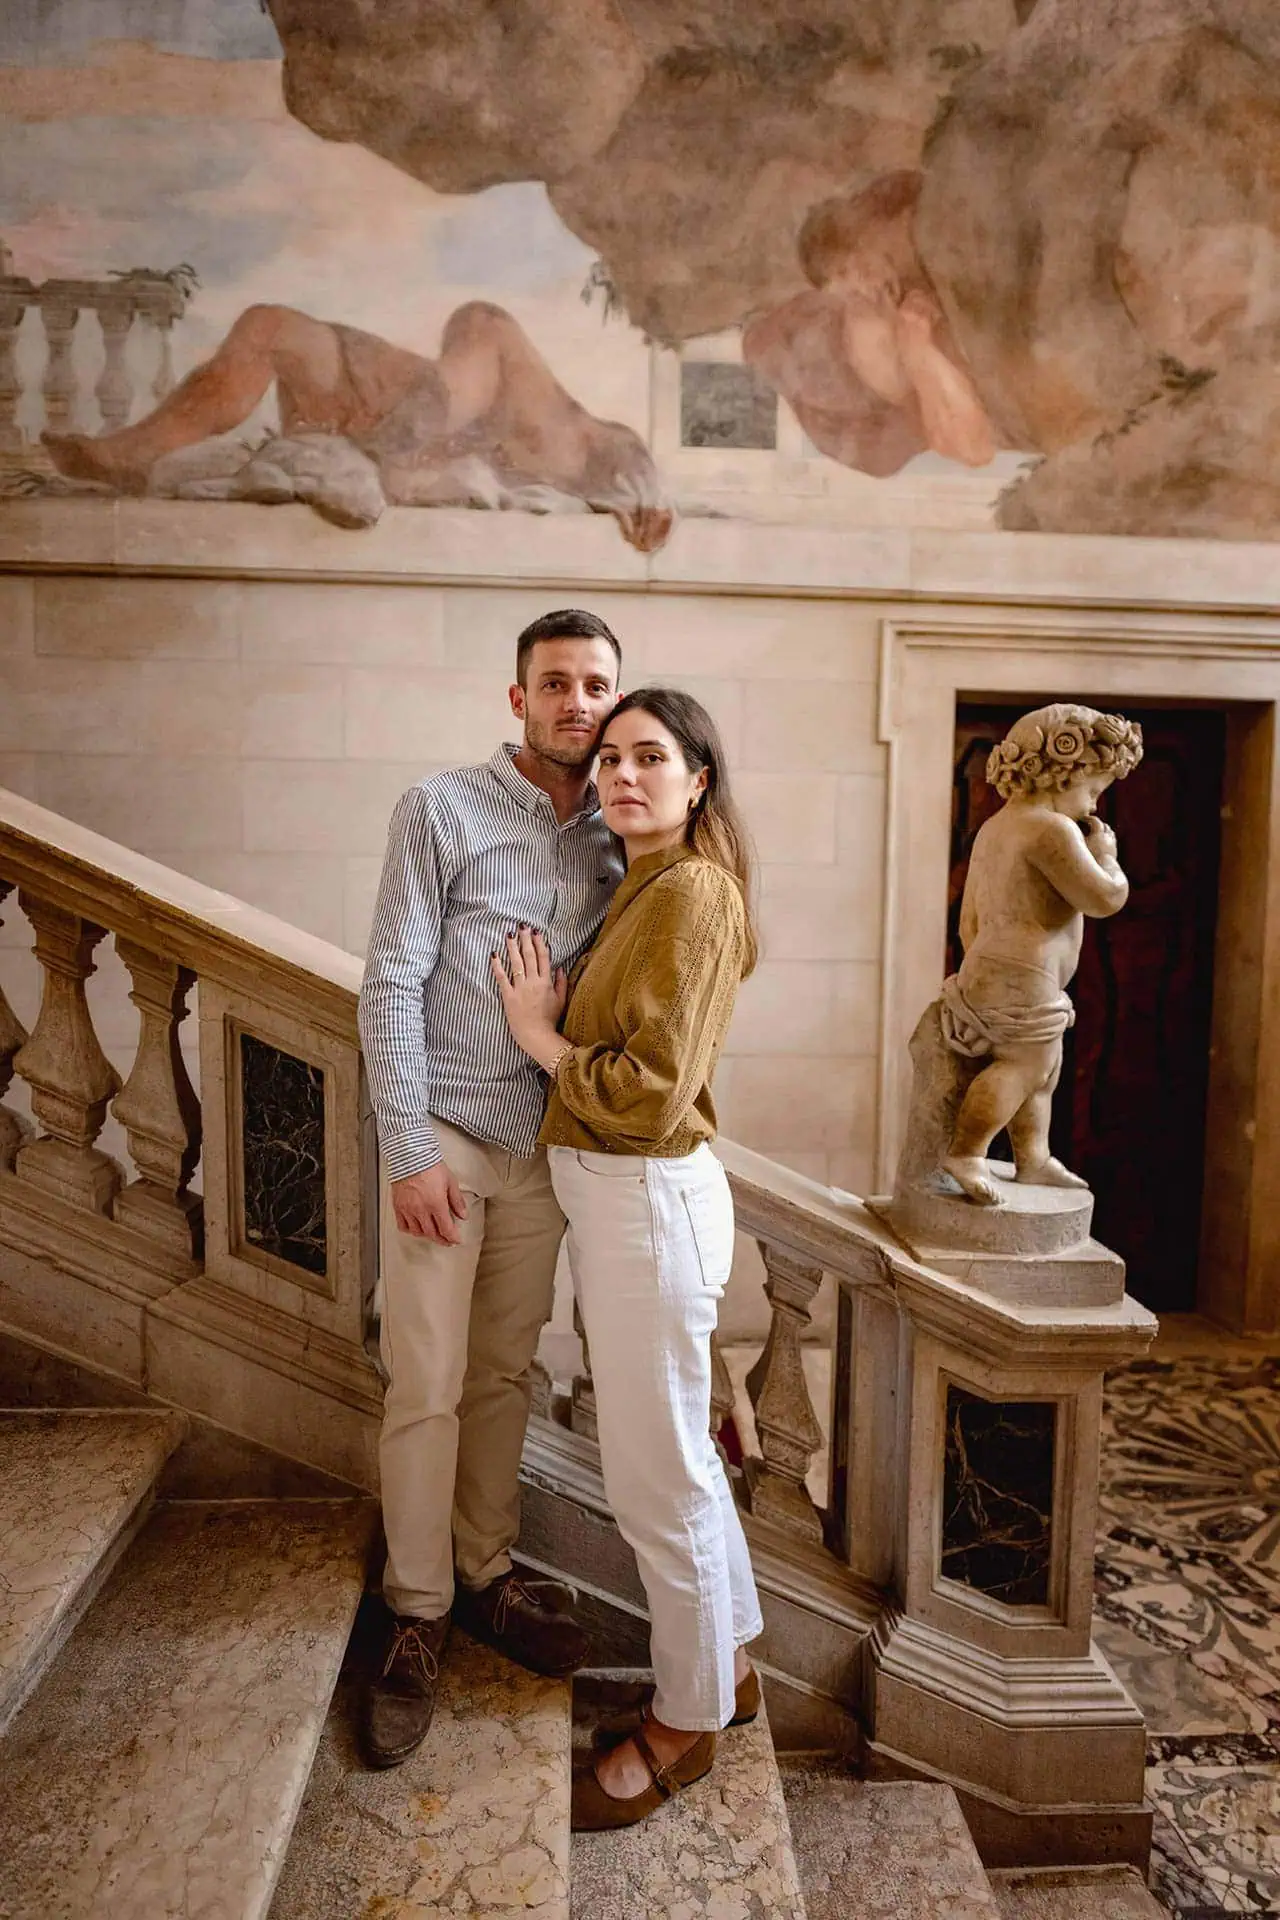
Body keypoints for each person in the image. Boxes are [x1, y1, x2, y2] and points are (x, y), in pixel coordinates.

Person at [355, 606, 626, 1770]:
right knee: (425, 1377)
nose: (576, 702)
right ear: (514, 698)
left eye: (595, 685)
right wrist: (409, 1148)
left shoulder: (623, 834)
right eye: (554, 683)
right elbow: (390, 982)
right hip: (450, 1140)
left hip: (547, 1155)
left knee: (509, 1372)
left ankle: (482, 1575)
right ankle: (413, 1611)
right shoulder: (440, 808)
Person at [492, 686, 763, 1831]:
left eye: (650, 757)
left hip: (645, 1199)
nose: (621, 776)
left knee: (658, 1486)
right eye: (608, 760)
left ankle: (685, 1727)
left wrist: (538, 1036)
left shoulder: (693, 892)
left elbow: (647, 1097)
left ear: (697, 781)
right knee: (669, 1471)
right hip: (625, 1208)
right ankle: (731, 1676)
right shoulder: (647, 889)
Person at [41, 299, 674, 552]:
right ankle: (131, 451)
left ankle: (130, 452)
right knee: (267, 325)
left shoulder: (583, 454)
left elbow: (650, 500)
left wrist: (650, 506)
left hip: (380, 418)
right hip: (389, 398)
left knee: (273, 328)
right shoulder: (553, 405)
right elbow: (451, 380)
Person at [941, 704, 1144, 1206]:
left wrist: (980, 969)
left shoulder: (994, 829)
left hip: (996, 966)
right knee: (1025, 1066)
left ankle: (1032, 1157)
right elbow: (1103, 898)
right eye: (1092, 790)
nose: (1093, 807)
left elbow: (969, 918)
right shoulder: (1051, 832)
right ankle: (966, 1151)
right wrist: (1108, 856)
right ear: (1059, 774)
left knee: (1043, 1066)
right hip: (1022, 972)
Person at [743, 170, 999, 475]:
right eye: (848, 271)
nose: (868, 276)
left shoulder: (911, 250)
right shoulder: (894, 334)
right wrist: (917, 346)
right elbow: (973, 449)